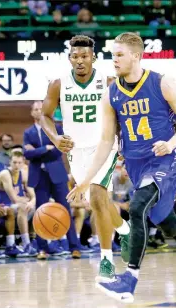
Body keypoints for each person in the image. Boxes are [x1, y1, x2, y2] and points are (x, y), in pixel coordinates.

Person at [67, 32, 176, 303]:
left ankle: (128, 280)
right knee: (170, 226)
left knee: (136, 209)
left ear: (136, 55)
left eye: (120, 54)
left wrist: (171, 143)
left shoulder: (162, 83)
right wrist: (86, 180)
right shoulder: (111, 94)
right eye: (113, 54)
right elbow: (105, 142)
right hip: (137, 167)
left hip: (163, 161)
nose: (114, 59)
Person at [39, 35, 130, 281]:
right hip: (76, 152)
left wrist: (123, 144)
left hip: (104, 148)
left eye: (85, 56)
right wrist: (56, 139)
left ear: (94, 58)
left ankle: (106, 261)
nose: (80, 61)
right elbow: (45, 116)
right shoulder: (58, 84)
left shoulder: (110, 81)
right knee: (99, 204)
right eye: (75, 56)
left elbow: (122, 115)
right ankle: (123, 228)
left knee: (99, 198)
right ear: (69, 58)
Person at [23, 101, 81, 260]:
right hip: (39, 177)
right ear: (32, 112)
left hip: (57, 175)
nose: (38, 111)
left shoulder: (58, 129)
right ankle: (42, 249)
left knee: (65, 210)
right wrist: (45, 149)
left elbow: (58, 151)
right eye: (35, 109)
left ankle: (74, 248)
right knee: (40, 213)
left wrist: (36, 151)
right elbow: (26, 154)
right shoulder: (28, 132)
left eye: (41, 108)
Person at [0, 151, 37, 257]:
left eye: (19, 163)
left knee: (39, 208)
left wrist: (31, 202)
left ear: (23, 163)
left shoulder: (24, 174)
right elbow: (14, 199)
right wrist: (26, 200)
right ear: (10, 162)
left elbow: (33, 196)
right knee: (22, 207)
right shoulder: (5, 174)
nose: (17, 165)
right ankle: (26, 244)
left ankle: (37, 240)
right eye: (14, 162)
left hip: (13, 207)